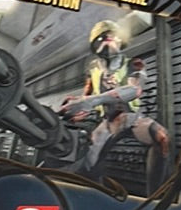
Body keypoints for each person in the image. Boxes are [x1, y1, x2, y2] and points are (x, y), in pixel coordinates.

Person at [59, 20, 169, 186]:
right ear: (95, 45)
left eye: (112, 37)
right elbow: (87, 94)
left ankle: (155, 194)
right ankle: (93, 190)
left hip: (130, 118)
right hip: (106, 122)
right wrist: (79, 107)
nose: (108, 41)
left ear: (120, 40)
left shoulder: (134, 64)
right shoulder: (93, 69)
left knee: (162, 137)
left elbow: (134, 90)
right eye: (102, 38)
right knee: (89, 165)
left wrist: (90, 101)